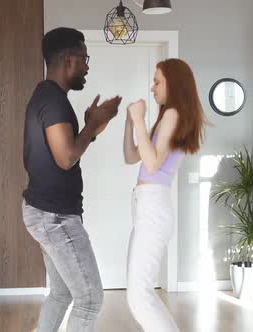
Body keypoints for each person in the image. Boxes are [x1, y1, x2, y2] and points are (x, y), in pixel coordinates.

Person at [21, 27, 122, 332]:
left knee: (62, 293)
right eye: (84, 58)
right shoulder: (53, 101)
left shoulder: (48, 96)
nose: (87, 65)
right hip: (55, 217)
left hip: (45, 212)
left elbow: (68, 150)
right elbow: (66, 157)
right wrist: (93, 123)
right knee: (90, 299)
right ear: (68, 60)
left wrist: (94, 125)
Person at [123, 58, 205, 332]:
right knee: (140, 292)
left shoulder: (172, 115)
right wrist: (130, 123)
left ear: (175, 83)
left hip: (153, 208)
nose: (152, 87)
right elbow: (131, 156)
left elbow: (153, 163)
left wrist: (138, 119)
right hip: (147, 207)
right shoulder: (168, 117)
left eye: (157, 81)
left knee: (139, 295)